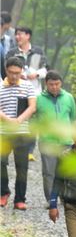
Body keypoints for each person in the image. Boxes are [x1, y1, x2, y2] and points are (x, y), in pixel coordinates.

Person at [0, 57, 37, 209]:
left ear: (22, 71)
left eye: (17, 72)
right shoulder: (0, 86)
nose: (14, 76)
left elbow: (32, 107)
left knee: (21, 166)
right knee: (1, 162)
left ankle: (20, 199)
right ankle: (3, 192)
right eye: (11, 72)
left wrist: (19, 119)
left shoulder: (28, 86)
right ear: (6, 70)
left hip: (22, 132)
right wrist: (8, 119)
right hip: (3, 132)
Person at [35, 71, 76, 201]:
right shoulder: (38, 99)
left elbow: (73, 118)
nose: (54, 87)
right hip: (47, 141)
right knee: (49, 173)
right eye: (51, 84)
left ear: (61, 83)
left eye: (57, 84)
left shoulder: (69, 97)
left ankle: (66, 198)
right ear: (46, 84)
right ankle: (51, 199)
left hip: (66, 141)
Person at [9, 26, 48, 95]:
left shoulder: (38, 51)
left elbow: (45, 69)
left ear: (28, 36)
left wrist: (36, 74)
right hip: (17, 91)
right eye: (16, 35)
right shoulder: (12, 53)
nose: (17, 37)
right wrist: (18, 74)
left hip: (35, 91)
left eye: (19, 34)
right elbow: (7, 70)